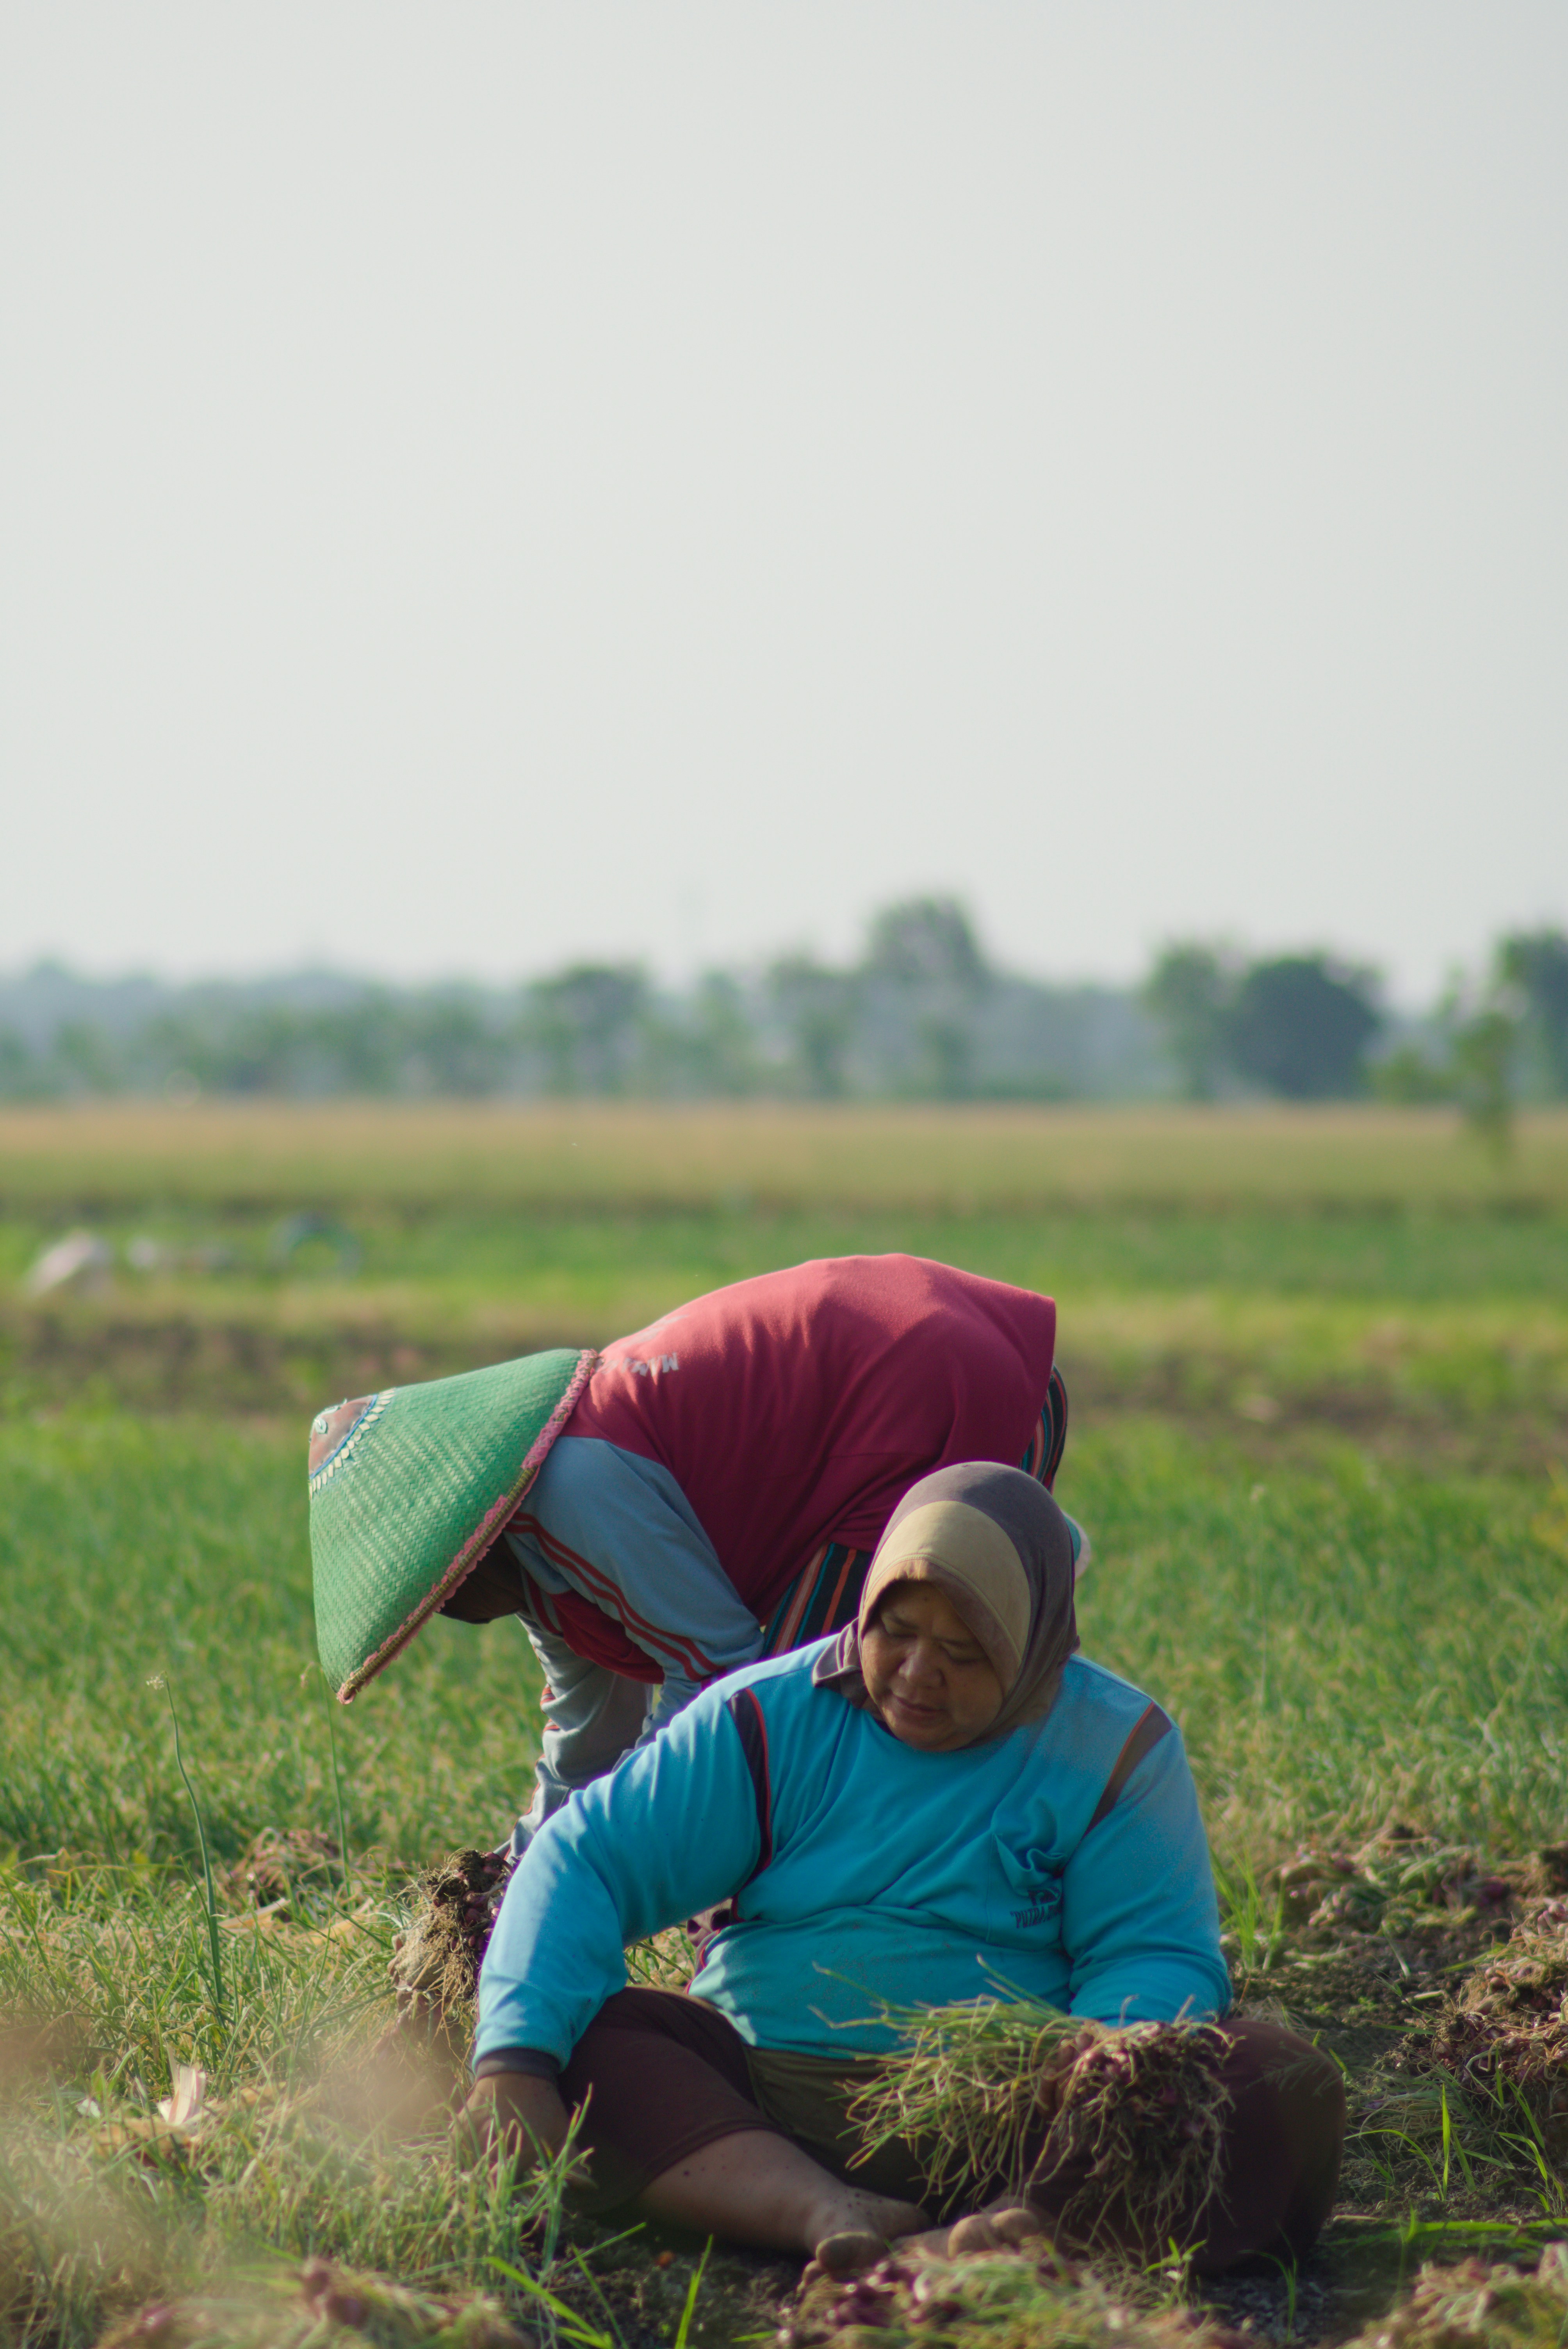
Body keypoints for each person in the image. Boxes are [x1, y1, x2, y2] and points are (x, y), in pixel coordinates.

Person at [461, 1463, 1344, 2277]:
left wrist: (1098, 2075)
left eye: (966, 1652)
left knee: (1281, 2078)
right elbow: (589, 1857)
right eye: (898, 1629)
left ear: (1032, 1650)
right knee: (584, 2036)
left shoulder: (1113, 1744)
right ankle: (818, 2211)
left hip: (1023, 2119)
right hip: (761, 2105)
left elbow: (1153, 1949)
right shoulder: (769, 1716)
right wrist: (514, 2059)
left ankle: (1027, 2224)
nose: (919, 1673)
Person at [308, 1255, 1084, 1846]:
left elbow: (720, 1672)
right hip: (934, 1371)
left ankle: (935, 1899)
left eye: (434, 1588)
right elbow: (591, 1739)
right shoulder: (546, 1566)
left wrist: (622, 1853)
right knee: (820, 1728)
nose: (444, 1609)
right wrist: (530, 1864)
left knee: (823, 1707)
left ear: (466, 1544)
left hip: (926, 1394)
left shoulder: (571, 1490)